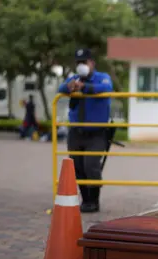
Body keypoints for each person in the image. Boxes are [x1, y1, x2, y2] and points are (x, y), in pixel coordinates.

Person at [58, 48, 113, 213]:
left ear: (92, 63)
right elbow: (61, 88)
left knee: (91, 166)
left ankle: (94, 200)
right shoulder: (74, 79)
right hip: (76, 132)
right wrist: (70, 87)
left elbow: (106, 87)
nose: (81, 65)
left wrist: (85, 87)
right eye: (78, 63)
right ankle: (86, 200)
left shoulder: (102, 78)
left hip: (96, 132)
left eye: (84, 62)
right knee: (77, 167)